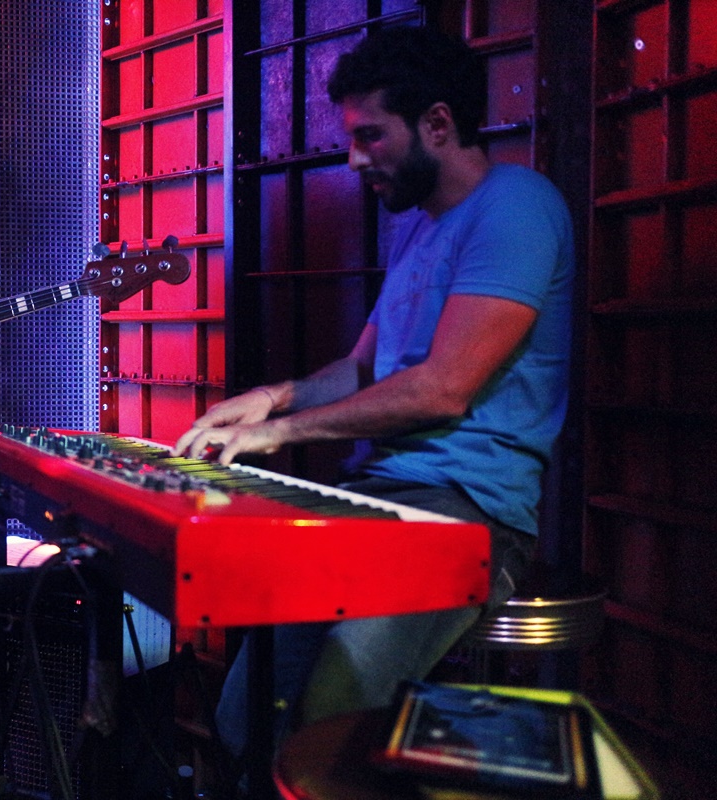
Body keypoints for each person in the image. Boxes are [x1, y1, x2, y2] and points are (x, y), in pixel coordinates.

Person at [172, 25, 575, 767]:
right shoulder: (419, 226)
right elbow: (365, 368)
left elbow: (442, 391)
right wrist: (274, 398)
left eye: (369, 136)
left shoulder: (515, 206)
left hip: (468, 511)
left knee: (332, 714)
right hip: (377, 495)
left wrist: (276, 436)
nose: (354, 159)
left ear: (438, 124)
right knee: (246, 712)